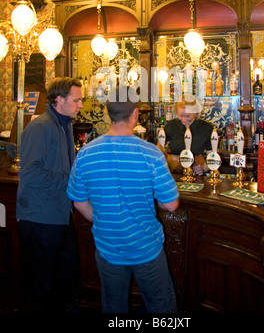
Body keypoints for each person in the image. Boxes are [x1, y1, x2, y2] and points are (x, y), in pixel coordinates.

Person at [67, 85, 179, 313]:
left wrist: (101, 219)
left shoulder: (86, 153)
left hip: (107, 247)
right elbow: (171, 204)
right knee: (161, 308)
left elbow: (78, 202)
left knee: (114, 308)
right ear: (135, 114)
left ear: (108, 114)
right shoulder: (151, 153)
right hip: (146, 247)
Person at [16, 77, 83, 312]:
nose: (81, 105)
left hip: (58, 216)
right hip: (39, 218)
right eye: (77, 100)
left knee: (67, 274)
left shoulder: (64, 125)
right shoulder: (41, 126)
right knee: (40, 284)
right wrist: (72, 183)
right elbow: (31, 174)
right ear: (59, 100)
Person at [158, 94, 213, 175]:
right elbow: (158, 150)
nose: (184, 119)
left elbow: (212, 158)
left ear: (195, 112)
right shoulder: (172, 126)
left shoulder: (206, 128)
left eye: (187, 116)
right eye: (180, 116)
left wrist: (203, 168)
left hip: (195, 175)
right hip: (175, 174)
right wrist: (170, 158)